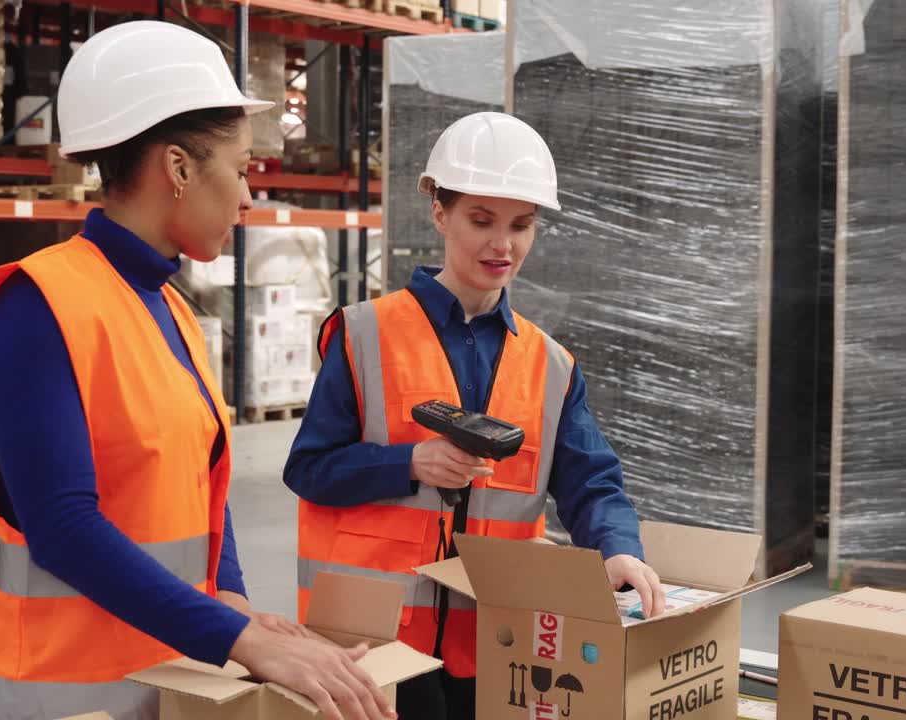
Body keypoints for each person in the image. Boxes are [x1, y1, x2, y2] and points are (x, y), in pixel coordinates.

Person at [0, 22, 392, 720]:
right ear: (180, 168)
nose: (249, 197)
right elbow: (60, 524)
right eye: (243, 168)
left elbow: (199, 486)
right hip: (55, 699)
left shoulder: (173, 312)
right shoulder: (36, 306)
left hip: (167, 683)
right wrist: (241, 639)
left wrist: (234, 597)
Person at [284, 112, 667, 720]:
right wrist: (408, 462)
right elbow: (309, 469)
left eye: (522, 225)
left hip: (495, 642)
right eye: (481, 221)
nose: (503, 245)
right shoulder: (364, 333)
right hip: (373, 643)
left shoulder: (551, 363)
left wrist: (617, 549)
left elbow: (591, 480)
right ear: (440, 212)